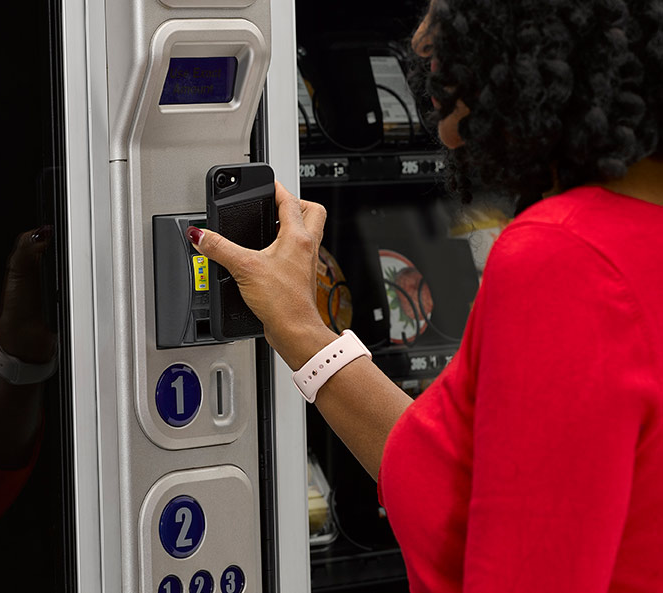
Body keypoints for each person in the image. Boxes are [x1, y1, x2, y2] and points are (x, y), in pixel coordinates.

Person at [185, 1, 663, 591]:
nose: (420, 40)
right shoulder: (629, 240)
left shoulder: (564, 260)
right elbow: (445, 483)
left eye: (449, 8)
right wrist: (302, 329)